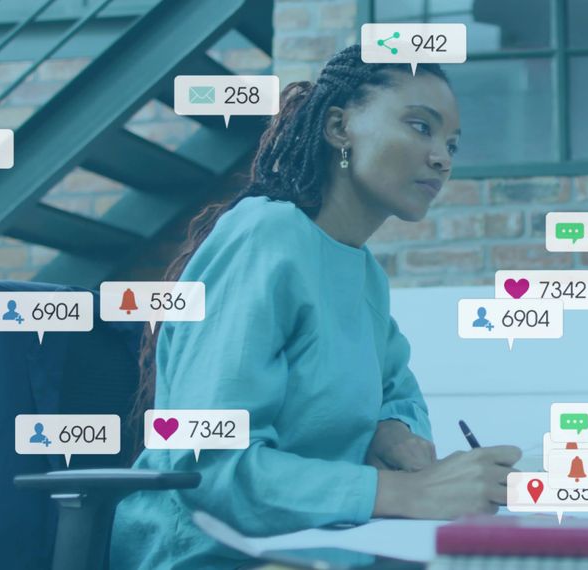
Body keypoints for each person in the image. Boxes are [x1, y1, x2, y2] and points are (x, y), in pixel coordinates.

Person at [111, 45, 521, 569]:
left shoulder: (364, 272)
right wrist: (407, 492)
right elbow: (210, 467)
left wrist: (393, 432)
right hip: (208, 551)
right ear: (337, 127)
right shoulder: (265, 237)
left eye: (452, 144)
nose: (442, 157)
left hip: (320, 541)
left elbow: (400, 394)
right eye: (421, 127)